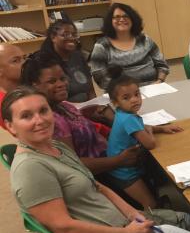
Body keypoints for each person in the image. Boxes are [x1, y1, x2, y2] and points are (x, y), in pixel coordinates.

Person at [4, 86, 190, 233]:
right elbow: (63, 228)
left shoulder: (53, 146)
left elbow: (98, 186)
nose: (40, 120)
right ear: (10, 127)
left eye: (43, 111)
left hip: (114, 226)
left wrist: (131, 213)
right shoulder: (30, 169)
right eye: (26, 116)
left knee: (184, 220)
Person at [20, 52, 142, 200]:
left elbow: (83, 127)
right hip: (103, 176)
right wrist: (118, 160)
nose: (61, 84)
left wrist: (92, 115)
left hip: (112, 160)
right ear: (35, 85)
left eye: (63, 78)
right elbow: (74, 165)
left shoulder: (64, 106)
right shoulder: (51, 122)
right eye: (52, 81)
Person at [106, 67, 182, 209]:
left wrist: (162, 128)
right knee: (149, 204)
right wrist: (150, 132)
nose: (134, 100)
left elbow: (139, 128)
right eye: (126, 97)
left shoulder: (123, 113)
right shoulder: (128, 118)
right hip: (124, 173)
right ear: (115, 102)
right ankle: (158, 222)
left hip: (127, 167)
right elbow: (150, 143)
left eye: (137, 94)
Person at [90, 3, 169, 90]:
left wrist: (159, 81)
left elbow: (162, 65)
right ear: (110, 21)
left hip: (153, 88)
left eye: (126, 16)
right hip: (121, 95)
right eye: (117, 17)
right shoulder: (102, 46)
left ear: (132, 19)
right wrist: (124, 91)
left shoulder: (144, 39)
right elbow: (100, 78)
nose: (122, 19)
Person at [39, 19, 95, 103]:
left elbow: (90, 88)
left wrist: (96, 104)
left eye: (74, 34)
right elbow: (51, 100)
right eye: (66, 34)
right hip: (65, 111)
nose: (71, 38)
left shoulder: (78, 56)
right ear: (53, 37)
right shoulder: (46, 63)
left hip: (88, 106)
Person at [0, 43, 26, 117]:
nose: (25, 63)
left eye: (24, 58)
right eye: (16, 60)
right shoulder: (3, 103)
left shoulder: (32, 90)